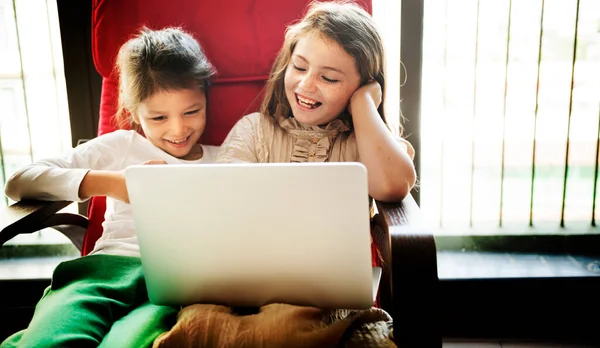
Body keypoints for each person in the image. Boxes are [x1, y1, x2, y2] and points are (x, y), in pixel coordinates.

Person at [1, 26, 218, 348]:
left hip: (177, 283)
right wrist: (114, 184)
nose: (178, 129)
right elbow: (19, 182)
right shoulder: (121, 146)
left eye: (192, 111)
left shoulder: (227, 158)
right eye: (158, 118)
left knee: (128, 342)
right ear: (134, 113)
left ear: (206, 98)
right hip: (107, 269)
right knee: (51, 339)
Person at [217, 0, 416, 203]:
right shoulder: (253, 131)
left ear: (363, 86)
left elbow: (392, 186)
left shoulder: (369, 144)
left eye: (329, 78)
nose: (306, 85)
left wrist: (363, 104)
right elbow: (222, 197)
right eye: (299, 67)